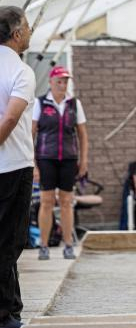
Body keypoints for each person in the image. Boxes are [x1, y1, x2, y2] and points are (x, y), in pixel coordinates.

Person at [0, 6, 35, 328]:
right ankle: (5, 313)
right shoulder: (20, 71)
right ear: (16, 33)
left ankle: (11, 307)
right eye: (26, 25)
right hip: (12, 166)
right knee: (10, 241)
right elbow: (10, 119)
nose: (30, 30)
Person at [33, 65, 89, 261]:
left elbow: (82, 134)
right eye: (59, 81)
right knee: (46, 202)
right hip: (46, 158)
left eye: (65, 81)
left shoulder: (74, 104)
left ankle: (68, 245)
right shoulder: (40, 103)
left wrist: (84, 161)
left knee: (66, 202)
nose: (62, 84)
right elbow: (31, 133)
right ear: (51, 82)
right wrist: (34, 164)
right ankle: (44, 245)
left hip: (68, 159)